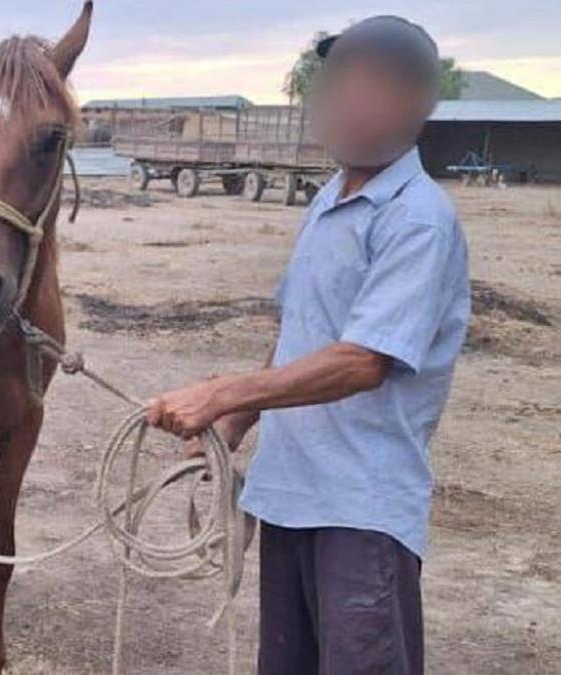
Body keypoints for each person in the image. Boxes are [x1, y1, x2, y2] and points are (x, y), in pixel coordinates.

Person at [146, 16, 470, 675]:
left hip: (360, 507)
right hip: (291, 493)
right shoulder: (330, 197)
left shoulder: (418, 217)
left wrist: (221, 392)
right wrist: (242, 416)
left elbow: (364, 359)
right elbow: (304, 329)